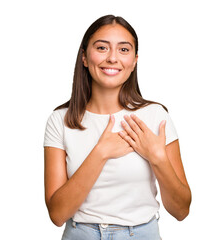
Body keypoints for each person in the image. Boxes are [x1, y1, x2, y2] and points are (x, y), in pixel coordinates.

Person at [43, 14, 191, 240]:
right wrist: (101, 152)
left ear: (134, 60)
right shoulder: (60, 120)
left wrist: (157, 157)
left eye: (123, 50)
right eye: (102, 48)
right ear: (84, 57)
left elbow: (181, 211)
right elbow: (57, 214)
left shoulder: (155, 116)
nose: (113, 58)